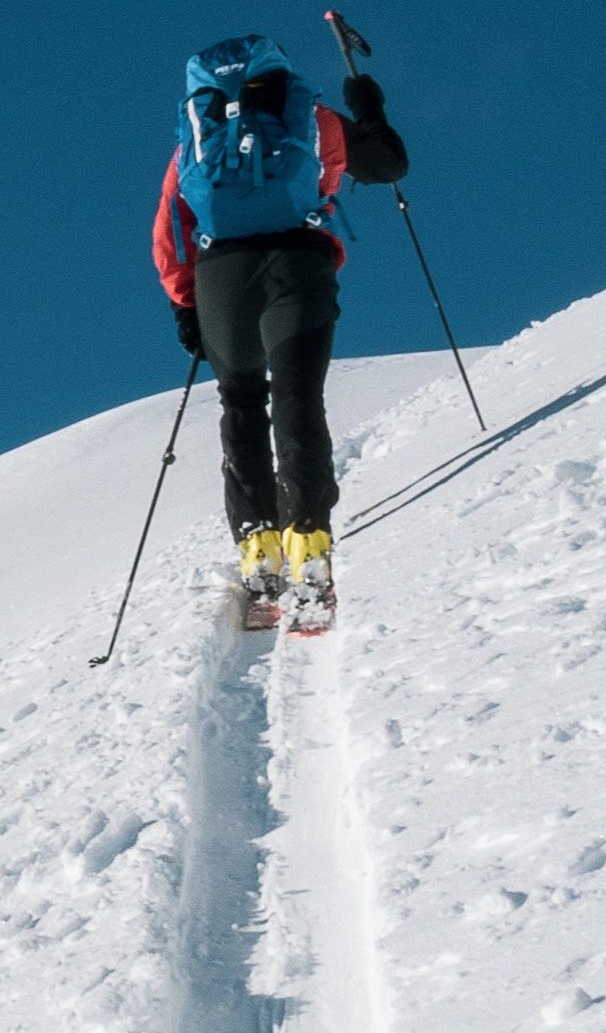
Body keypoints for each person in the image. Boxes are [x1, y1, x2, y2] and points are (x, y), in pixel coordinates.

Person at [150, 32, 413, 615]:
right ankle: (309, 540)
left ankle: (258, 549)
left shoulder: (194, 140)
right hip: (298, 262)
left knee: (240, 402)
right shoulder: (312, 120)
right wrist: (368, 106)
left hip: (222, 274)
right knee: (299, 396)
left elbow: (171, 226)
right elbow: (390, 164)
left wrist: (186, 306)